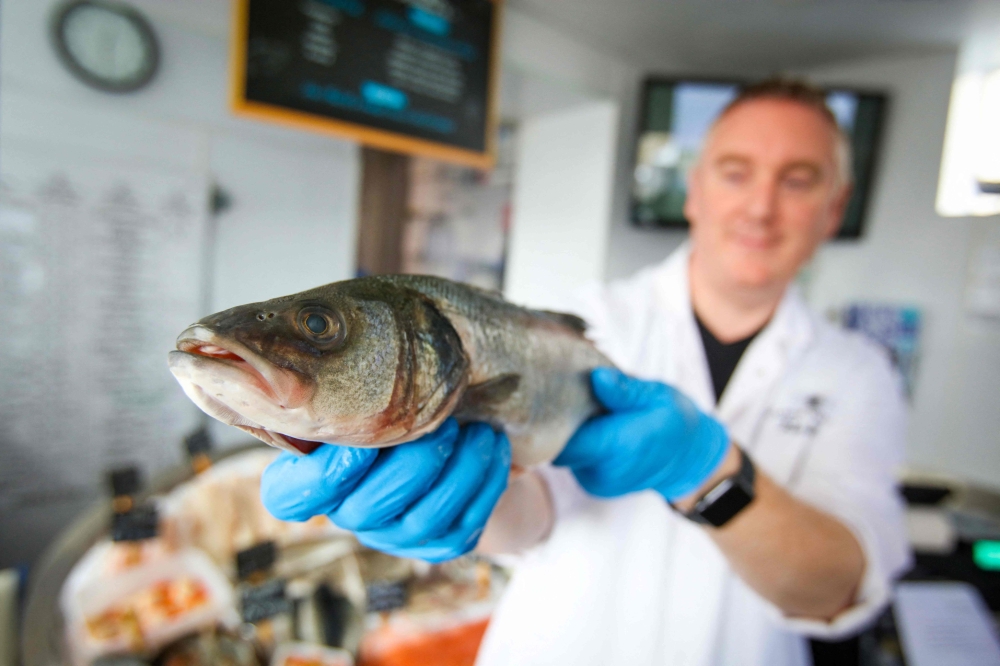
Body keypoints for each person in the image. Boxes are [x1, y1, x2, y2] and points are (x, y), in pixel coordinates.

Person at [260, 78, 911, 666]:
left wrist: (708, 472)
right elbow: (533, 514)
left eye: (797, 180)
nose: (761, 207)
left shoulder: (858, 373)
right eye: (736, 172)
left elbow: (838, 589)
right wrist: (462, 499)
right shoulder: (582, 327)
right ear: (695, 190)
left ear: (834, 206)